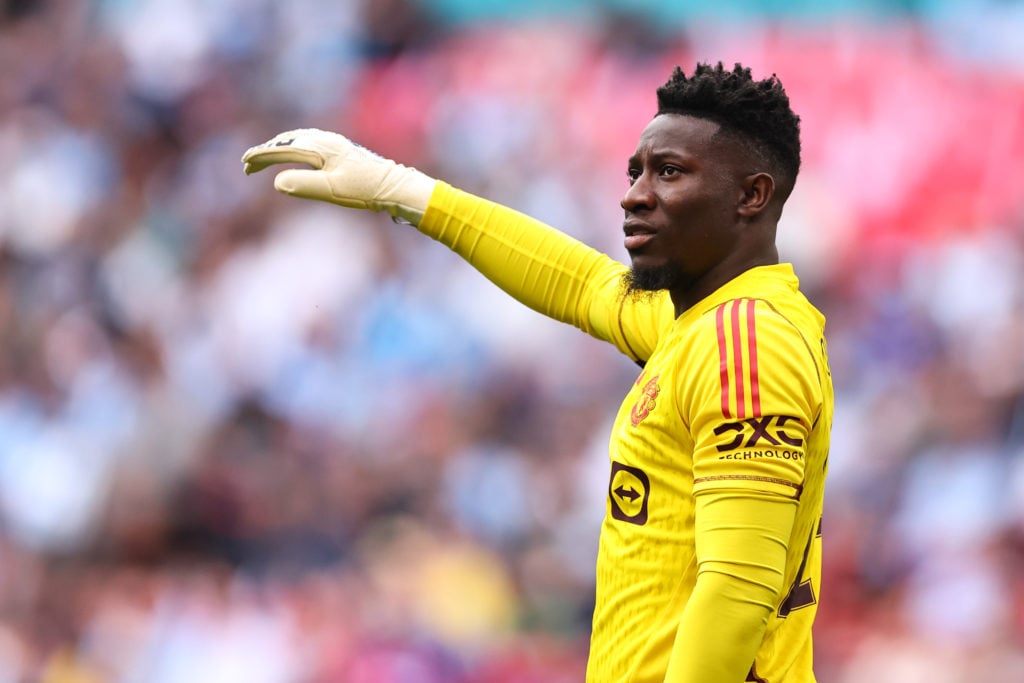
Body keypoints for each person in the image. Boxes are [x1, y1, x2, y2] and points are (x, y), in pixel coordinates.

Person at [242, 61, 833, 683]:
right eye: (635, 171)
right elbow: (579, 283)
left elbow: (737, 592)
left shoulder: (745, 342)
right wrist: (402, 189)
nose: (635, 194)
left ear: (751, 195)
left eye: (670, 172)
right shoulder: (704, 326)